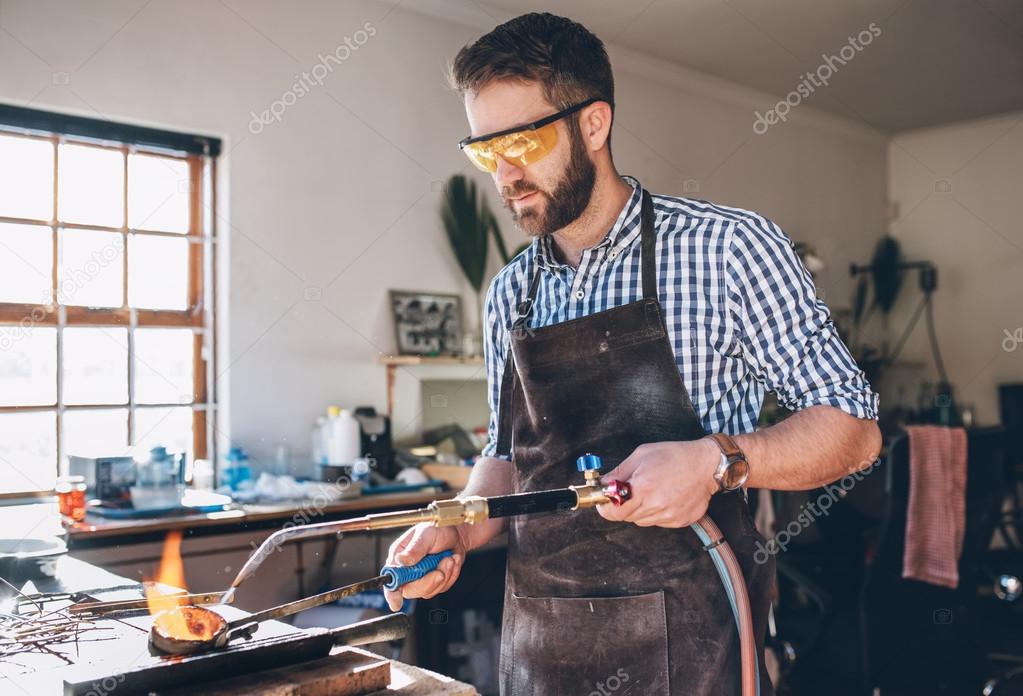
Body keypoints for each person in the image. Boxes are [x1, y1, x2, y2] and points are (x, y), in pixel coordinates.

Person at [385, 12, 881, 695]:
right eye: (482, 151)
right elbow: (506, 460)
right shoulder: (511, 293)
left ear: (593, 125)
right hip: (543, 649)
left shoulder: (727, 250)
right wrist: (458, 528)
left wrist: (716, 462)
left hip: (695, 649)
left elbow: (853, 432)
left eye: (522, 140)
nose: (503, 173)